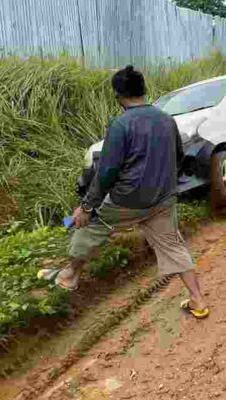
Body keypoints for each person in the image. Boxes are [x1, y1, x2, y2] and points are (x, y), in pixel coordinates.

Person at [38, 65, 209, 319]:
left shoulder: (121, 125)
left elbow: (106, 172)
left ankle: (69, 275)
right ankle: (198, 301)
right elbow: (179, 157)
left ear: (118, 96)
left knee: (89, 225)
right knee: (173, 245)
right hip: (163, 200)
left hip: (128, 201)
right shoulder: (166, 120)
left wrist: (86, 207)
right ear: (144, 90)